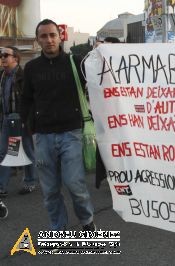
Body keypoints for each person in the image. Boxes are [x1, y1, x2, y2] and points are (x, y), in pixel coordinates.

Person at [20, 19, 96, 231]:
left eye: (52, 35)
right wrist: (29, 126)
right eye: (44, 36)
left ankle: (87, 220)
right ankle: (58, 227)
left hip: (71, 133)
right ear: (38, 40)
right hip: (42, 136)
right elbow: (26, 98)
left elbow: (100, 82)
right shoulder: (32, 68)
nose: (49, 40)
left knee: (75, 184)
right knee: (50, 190)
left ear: (60, 37)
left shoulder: (76, 62)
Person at [0, 46, 36, 197]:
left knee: (26, 150)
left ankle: (29, 182)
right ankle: (2, 186)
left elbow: (31, 99)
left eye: (5, 55)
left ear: (15, 58)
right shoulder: (2, 75)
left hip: (20, 118)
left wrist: (27, 119)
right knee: (5, 152)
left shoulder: (23, 75)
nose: (2, 58)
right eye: (1, 55)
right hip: (7, 118)